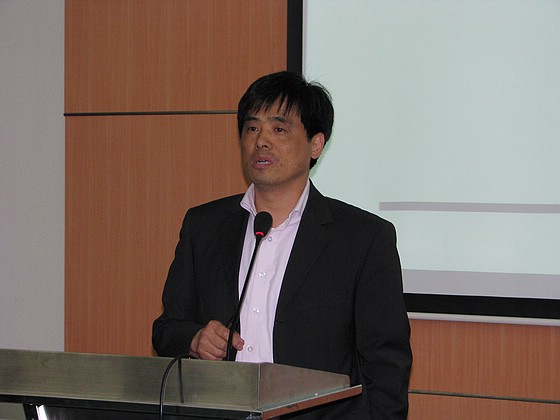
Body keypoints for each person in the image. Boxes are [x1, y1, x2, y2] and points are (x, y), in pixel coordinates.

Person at [152, 71, 412, 419]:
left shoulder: (363, 239)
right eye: (252, 128)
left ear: (315, 144)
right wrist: (195, 338)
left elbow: (386, 366)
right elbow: (166, 329)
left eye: (279, 129)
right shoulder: (205, 226)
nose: (261, 141)